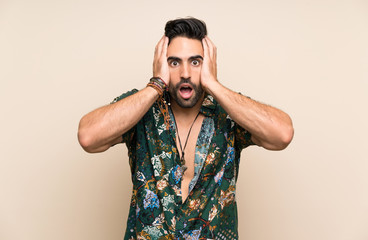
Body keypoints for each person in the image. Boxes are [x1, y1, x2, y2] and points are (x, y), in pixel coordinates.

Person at [78, 17, 294, 240]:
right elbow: (88, 137)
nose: (185, 73)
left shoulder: (228, 112)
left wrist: (214, 85)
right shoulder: (142, 109)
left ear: (208, 63)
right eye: (174, 62)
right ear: (162, 64)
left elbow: (282, 134)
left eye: (195, 62)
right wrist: (155, 85)